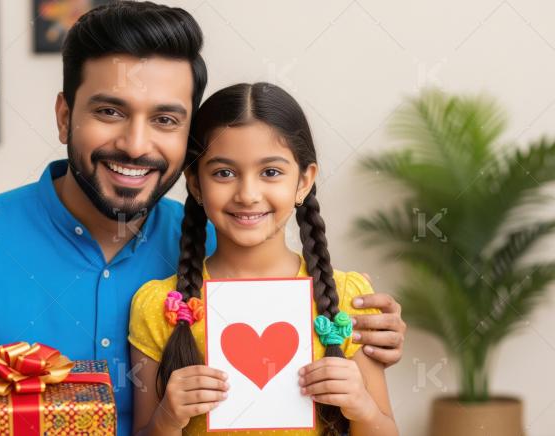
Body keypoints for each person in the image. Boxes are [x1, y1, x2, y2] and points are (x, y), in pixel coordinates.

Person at [0, 3, 406, 435]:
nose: (135, 145)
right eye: (109, 111)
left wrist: (363, 330)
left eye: (165, 120)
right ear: (65, 117)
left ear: (190, 143)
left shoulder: (226, 240)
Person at [129, 83, 398, 435]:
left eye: (270, 172)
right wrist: (166, 418)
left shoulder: (348, 297)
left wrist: (362, 408)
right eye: (224, 173)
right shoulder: (158, 305)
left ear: (304, 181)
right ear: (195, 183)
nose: (248, 194)